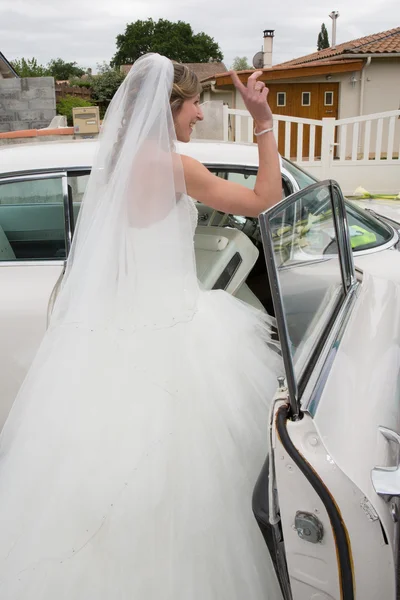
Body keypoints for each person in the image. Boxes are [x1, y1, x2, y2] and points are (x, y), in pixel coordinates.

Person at [0, 54, 284, 599]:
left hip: (117, 332)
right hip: (175, 331)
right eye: (196, 101)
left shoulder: (117, 169)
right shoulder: (178, 168)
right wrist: (262, 121)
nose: (200, 114)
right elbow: (267, 201)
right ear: (169, 105)